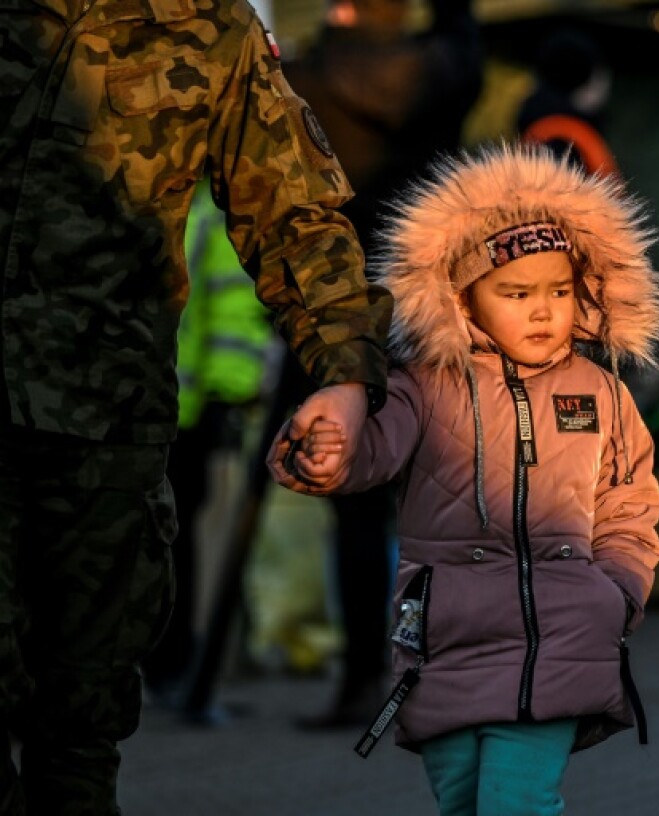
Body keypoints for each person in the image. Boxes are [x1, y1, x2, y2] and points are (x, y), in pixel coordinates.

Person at [0, 1, 391, 813]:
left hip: (103, 436)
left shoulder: (210, 31)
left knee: (77, 734)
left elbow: (294, 215)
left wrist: (345, 376)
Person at [267, 142, 659, 815]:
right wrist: (327, 449)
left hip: (561, 633)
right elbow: (373, 453)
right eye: (516, 293)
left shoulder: (599, 390)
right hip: (447, 641)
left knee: (516, 803)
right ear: (462, 299)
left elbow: (630, 500)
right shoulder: (423, 387)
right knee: (462, 803)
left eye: (560, 291)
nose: (543, 311)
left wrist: (618, 589)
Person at [280, 0, 484, 729]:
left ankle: (362, 680)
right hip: (430, 304)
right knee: (452, 498)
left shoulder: (302, 78)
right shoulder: (444, 71)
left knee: (356, 510)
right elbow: (465, 27)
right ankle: (463, 674)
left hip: (339, 313)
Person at [142, 181, 275, 705]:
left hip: (186, 412)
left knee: (175, 542)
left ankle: (172, 665)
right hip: (140, 408)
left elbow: (232, 301)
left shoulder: (206, 208)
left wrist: (231, 390)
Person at [516, 25, 620, 178]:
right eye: (600, 75)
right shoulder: (564, 142)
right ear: (587, 82)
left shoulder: (537, 129)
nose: (606, 85)